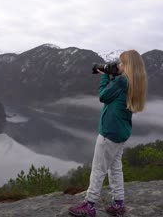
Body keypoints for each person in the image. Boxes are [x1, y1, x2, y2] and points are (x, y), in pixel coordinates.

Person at [68, 50, 148, 217]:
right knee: (115, 168)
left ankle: (89, 205)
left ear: (128, 66)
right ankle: (118, 203)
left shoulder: (121, 82)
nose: (118, 65)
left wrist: (105, 75)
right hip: (122, 132)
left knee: (98, 169)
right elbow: (115, 97)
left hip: (109, 133)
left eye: (121, 63)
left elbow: (103, 96)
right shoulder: (135, 82)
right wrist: (113, 75)